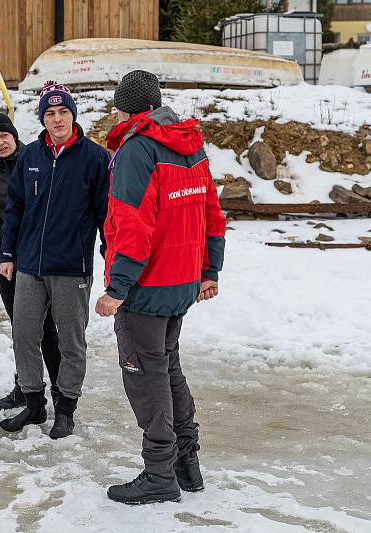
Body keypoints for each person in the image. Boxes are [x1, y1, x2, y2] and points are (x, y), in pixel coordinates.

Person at [95, 70, 226, 504]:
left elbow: (132, 226)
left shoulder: (138, 149)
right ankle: (187, 465)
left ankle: (159, 473)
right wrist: (211, 270)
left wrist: (117, 288)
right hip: (183, 281)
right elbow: (211, 211)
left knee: (145, 376)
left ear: (125, 107)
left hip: (147, 288)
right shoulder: (189, 143)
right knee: (167, 368)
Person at [0, 81, 111, 439]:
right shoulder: (30, 156)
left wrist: (112, 260)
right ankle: (33, 405)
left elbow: (106, 214)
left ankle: (66, 409)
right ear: (42, 118)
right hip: (30, 266)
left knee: (70, 342)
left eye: (63, 112)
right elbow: (14, 208)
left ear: (73, 116)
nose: (57, 119)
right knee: (24, 335)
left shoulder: (95, 158)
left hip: (71, 267)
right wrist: (7, 253)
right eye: (50, 113)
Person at [0, 112, 62, 411]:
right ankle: (25, 388)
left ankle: (60, 390)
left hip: (39, 259)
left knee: (48, 328)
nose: (0, 143)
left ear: (13, 135)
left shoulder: (37, 161)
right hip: (7, 263)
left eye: (4, 136)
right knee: (21, 330)